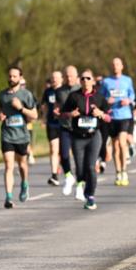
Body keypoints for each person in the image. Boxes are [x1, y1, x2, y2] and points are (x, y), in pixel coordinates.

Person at [60, 69, 111, 210]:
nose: (85, 81)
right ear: (79, 81)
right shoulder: (73, 96)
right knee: (80, 167)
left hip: (94, 136)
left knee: (91, 167)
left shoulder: (99, 97)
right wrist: (71, 114)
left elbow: (109, 117)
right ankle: (80, 184)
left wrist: (100, 113)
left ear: (93, 81)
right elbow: (62, 114)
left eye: (88, 78)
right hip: (77, 137)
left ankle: (90, 196)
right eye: (82, 79)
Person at [0, 66, 37, 209]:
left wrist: (21, 108)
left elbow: (34, 116)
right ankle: (8, 197)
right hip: (7, 135)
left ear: (20, 78)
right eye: (10, 76)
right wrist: (0, 115)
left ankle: (24, 183)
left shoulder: (26, 95)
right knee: (8, 165)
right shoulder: (2, 95)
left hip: (22, 136)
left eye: (14, 76)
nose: (11, 79)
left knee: (22, 165)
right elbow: (0, 111)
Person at [100, 57, 136, 186]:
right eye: (113, 64)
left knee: (122, 143)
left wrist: (128, 100)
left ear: (122, 66)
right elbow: (100, 97)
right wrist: (106, 101)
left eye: (118, 64)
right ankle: (118, 172)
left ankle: (125, 171)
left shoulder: (127, 80)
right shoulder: (106, 82)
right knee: (115, 146)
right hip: (112, 116)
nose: (115, 66)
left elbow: (132, 94)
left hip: (124, 115)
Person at [56, 65, 80, 195]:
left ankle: (81, 185)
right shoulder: (59, 91)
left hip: (79, 128)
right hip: (65, 126)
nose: (69, 78)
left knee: (78, 157)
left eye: (71, 76)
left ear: (77, 76)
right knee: (64, 155)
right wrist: (56, 111)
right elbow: (57, 107)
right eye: (67, 76)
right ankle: (69, 176)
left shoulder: (81, 89)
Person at [40, 71, 64, 186]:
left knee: (63, 151)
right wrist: (43, 119)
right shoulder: (48, 91)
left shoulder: (65, 90)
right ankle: (54, 175)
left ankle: (67, 169)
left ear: (61, 79)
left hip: (64, 124)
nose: (54, 80)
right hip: (52, 123)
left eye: (56, 78)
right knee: (53, 149)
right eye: (52, 78)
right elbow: (44, 106)